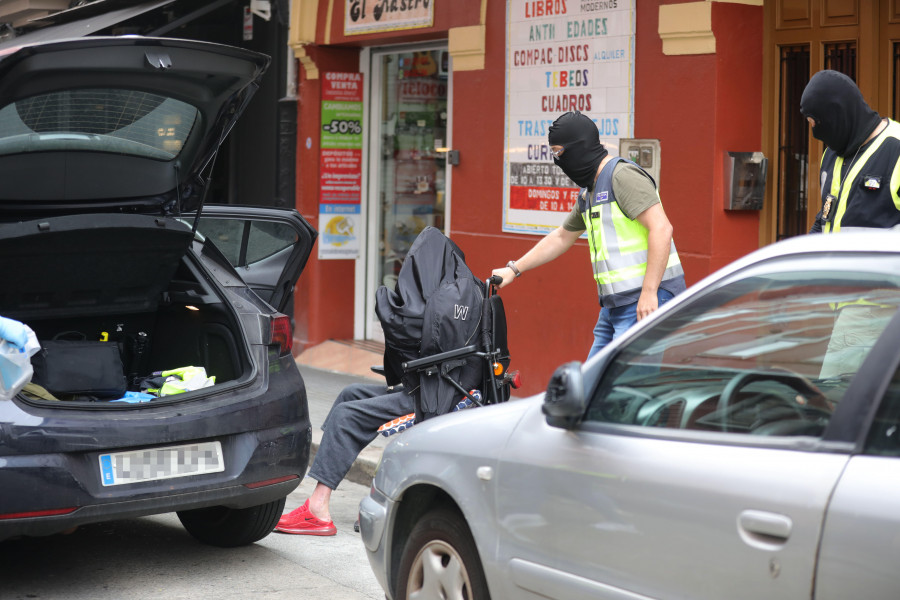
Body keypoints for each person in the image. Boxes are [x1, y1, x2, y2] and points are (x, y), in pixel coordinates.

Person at [492, 111, 685, 358]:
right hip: (615, 305)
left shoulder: (622, 176)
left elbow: (661, 228)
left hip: (646, 299)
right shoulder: (589, 192)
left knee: (619, 389)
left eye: (559, 152)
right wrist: (513, 269)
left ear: (579, 146)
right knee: (593, 384)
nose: (557, 160)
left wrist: (649, 293)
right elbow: (562, 237)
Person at [274, 381, 415, 535]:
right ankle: (329, 460)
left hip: (433, 399)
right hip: (419, 387)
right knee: (350, 394)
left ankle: (317, 509)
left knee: (344, 416)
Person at [800, 69, 900, 233]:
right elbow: (825, 220)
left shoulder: (896, 149)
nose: (814, 132)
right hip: (835, 259)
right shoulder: (831, 155)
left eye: (816, 122)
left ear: (837, 115)